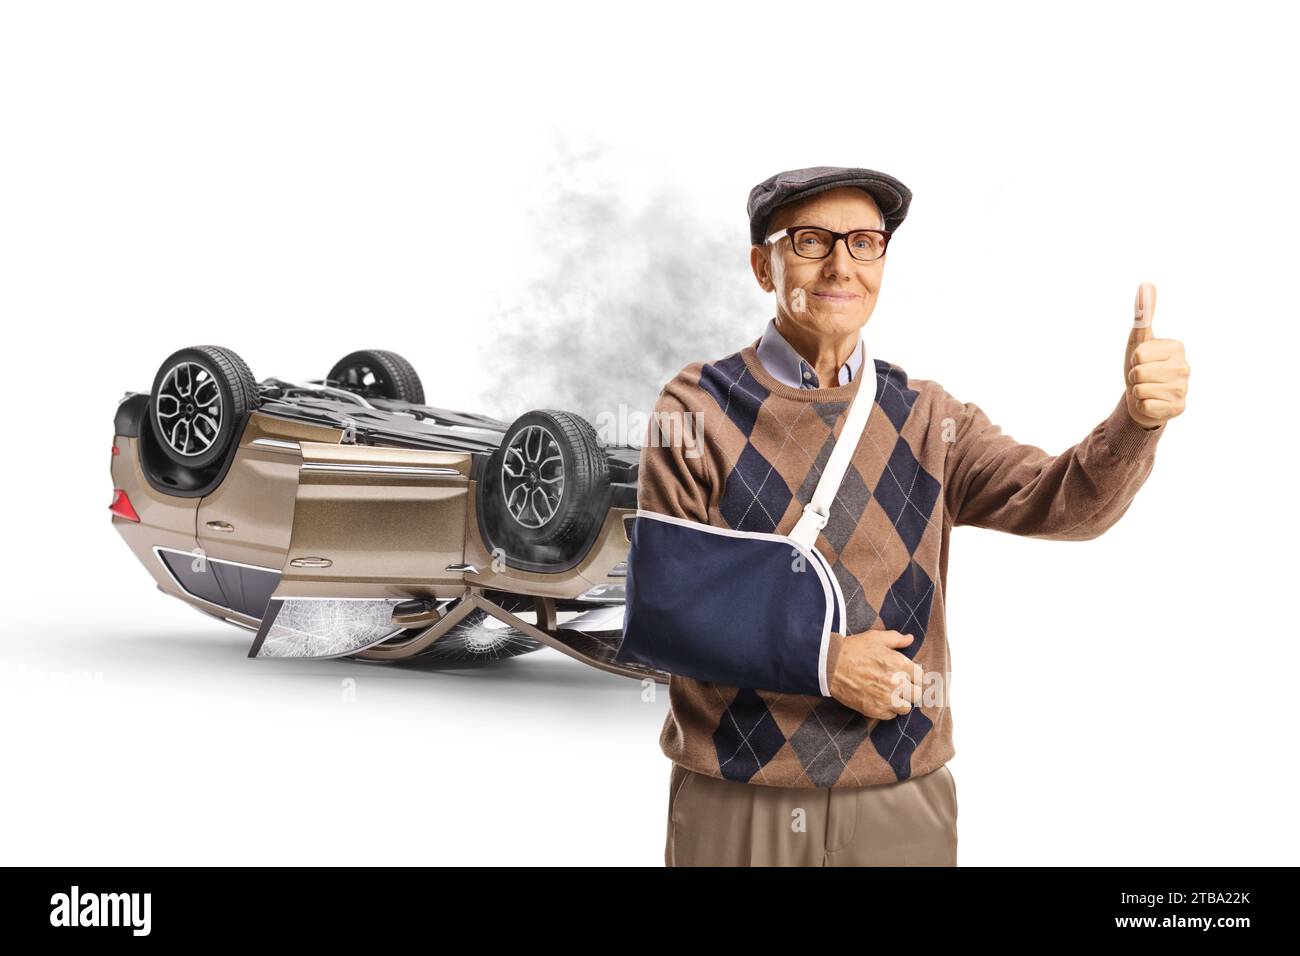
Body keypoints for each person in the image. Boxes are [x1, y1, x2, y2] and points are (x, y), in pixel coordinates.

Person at [635, 165, 1190, 866]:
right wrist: (827, 661)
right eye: (811, 241)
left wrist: (1137, 423)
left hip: (901, 799)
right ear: (762, 264)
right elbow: (661, 610)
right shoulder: (694, 409)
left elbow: (1064, 503)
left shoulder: (929, 418)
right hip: (739, 797)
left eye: (865, 243)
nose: (842, 264)